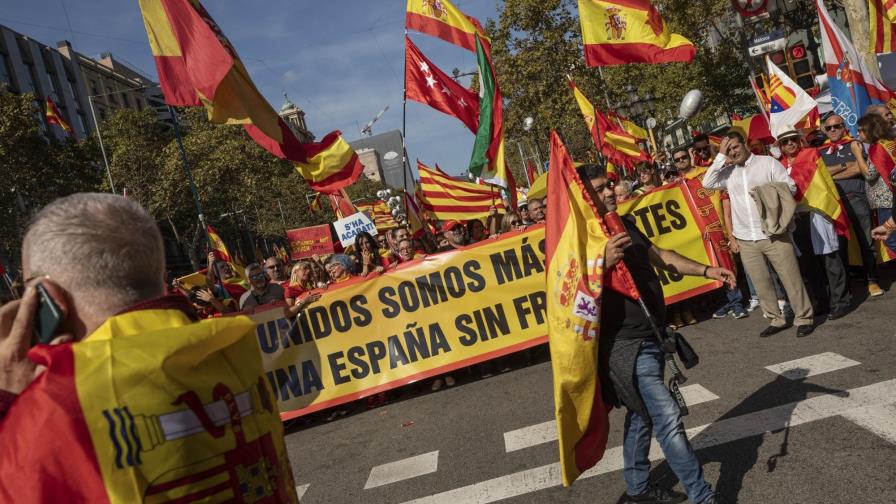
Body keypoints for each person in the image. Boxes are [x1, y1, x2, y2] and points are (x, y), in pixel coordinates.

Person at [0, 193, 296, 501]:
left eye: (28, 287)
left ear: (48, 297)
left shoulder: (57, 406)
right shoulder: (234, 349)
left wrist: (10, 402)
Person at [577, 164, 732, 504]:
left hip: (653, 334)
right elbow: (566, 291)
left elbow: (661, 256)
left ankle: (637, 489)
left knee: (642, 412)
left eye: (610, 185)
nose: (609, 192)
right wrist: (599, 262)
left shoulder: (623, 223)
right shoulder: (578, 239)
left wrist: (707, 270)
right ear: (584, 196)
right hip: (624, 346)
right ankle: (702, 496)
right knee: (667, 417)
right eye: (600, 188)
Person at [703, 132, 815, 337]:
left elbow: (789, 187)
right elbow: (707, 183)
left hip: (773, 233)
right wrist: (720, 156)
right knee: (762, 283)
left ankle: (804, 317)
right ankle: (776, 319)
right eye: (728, 150)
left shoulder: (768, 163)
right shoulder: (728, 173)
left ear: (745, 144)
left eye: (735, 147)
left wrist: (765, 191)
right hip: (746, 238)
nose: (733, 152)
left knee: (791, 278)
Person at [778, 129, 851, 320]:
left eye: (793, 139)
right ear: (781, 146)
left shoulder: (811, 155)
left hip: (818, 212)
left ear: (799, 140)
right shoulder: (779, 166)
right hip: (797, 218)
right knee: (810, 264)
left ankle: (841, 302)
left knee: (830, 258)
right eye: (785, 142)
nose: (790, 144)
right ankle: (822, 302)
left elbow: (824, 183)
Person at [821, 113, 882, 297]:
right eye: (829, 127)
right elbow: (821, 174)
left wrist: (832, 173)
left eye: (837, 126)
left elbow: (859, 168)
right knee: (838, 246)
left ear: (844, 127)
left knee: (866, 240)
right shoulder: (821, 151)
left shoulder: (854, 144)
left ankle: (872, 280)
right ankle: (845, 286)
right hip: (834, 203)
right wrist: (843, 165)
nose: (833, 130)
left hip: (857, 198)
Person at [858, 113, 896, 253]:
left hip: (887, 202)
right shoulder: (889, 141)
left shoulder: (877, 148)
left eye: (860, 130)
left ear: (869, 130)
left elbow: (869, 174)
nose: (858, 133)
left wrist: (857, 154)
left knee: (892, 241)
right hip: (892, 199)